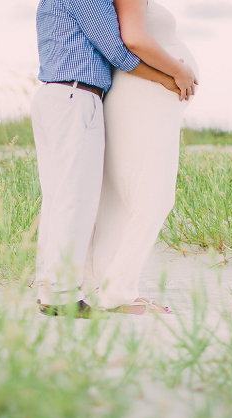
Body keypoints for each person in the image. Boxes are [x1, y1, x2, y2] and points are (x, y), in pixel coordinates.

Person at [32, 0, 196, 317]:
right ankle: (61, 295)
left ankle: (50, 288)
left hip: (60, 96)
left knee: (57, 197)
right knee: (73, 199)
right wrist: (170, 75)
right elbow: (118, 49)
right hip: (76, 97)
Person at [86, 0, 199, 314]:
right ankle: (117, 292)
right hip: (141, 95)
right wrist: (179, 70)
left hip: (137, 94)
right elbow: (133, 39)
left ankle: (100, 285)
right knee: (154, 197)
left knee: (120, 197)